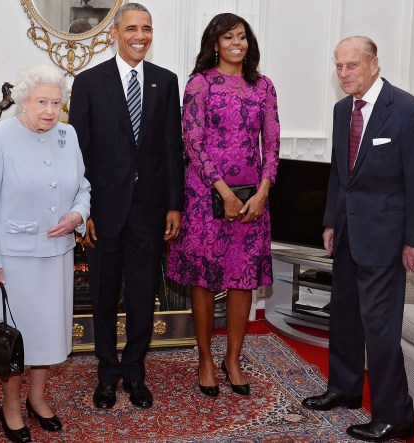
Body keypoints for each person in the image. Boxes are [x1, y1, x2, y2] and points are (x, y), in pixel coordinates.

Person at [300, 36, 414, 442]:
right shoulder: (343, 110)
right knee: (342, 317)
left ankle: (396, 417)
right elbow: (338, 176)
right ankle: (343, 389)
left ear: (374, 64)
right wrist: (329, 223)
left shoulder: (409, 111)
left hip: (386, 238)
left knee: (379, 329)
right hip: (345, 234)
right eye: (338, 66)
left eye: (352, 66)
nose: (343, 74)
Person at [68, 3, 184, 410]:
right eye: (132, 28)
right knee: (101, 295)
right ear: (114, 33)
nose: (140, 36)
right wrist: (83, 211)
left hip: (149, 211)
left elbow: (173, 147)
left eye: (147, 29)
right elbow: (78, 155)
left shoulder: (165, 82)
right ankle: (106, 374)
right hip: (103, 210)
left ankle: (134, 372)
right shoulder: (88, 83)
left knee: (141, 294)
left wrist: (175, 205)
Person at [0, 64, 91, 442]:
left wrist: (78, 215)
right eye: (42, 102)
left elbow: (83, 186)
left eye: (57, 103)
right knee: (16, 338)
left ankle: (38, 399)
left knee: (46, 335)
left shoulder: (67, 135)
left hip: (57, 254)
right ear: (23, 100)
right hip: (13, 261)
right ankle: (10, 406)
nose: (50, 111)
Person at [166, 13, 280, 398]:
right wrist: (224, 192)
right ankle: (205, 359)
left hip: (253, 197)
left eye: (243, 37)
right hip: (204, 194)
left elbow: (273, 143)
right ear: (214, 43)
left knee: (242, 278)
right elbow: (192, 141)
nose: (237, 43)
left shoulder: (263, 86)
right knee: (205, 277)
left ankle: (233, 358)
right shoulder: (200, 84)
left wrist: (263, 190)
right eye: (229, 37)